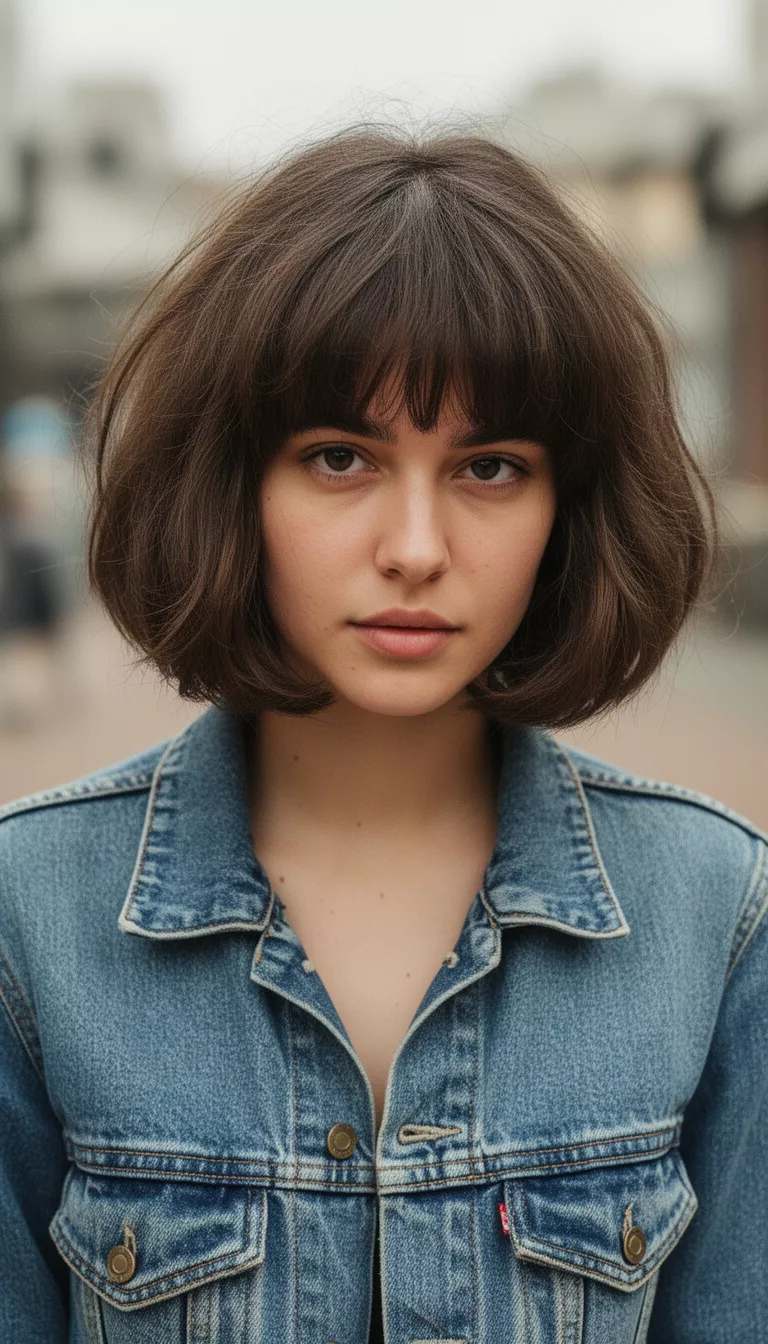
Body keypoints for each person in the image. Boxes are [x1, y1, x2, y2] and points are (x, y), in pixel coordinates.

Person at [0, 126, 766, 1343]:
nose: (416, 547)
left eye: (492, 467)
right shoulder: (28, 910)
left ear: (571, 506)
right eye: (341, 457)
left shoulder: (715, 910)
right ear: (234, 483)